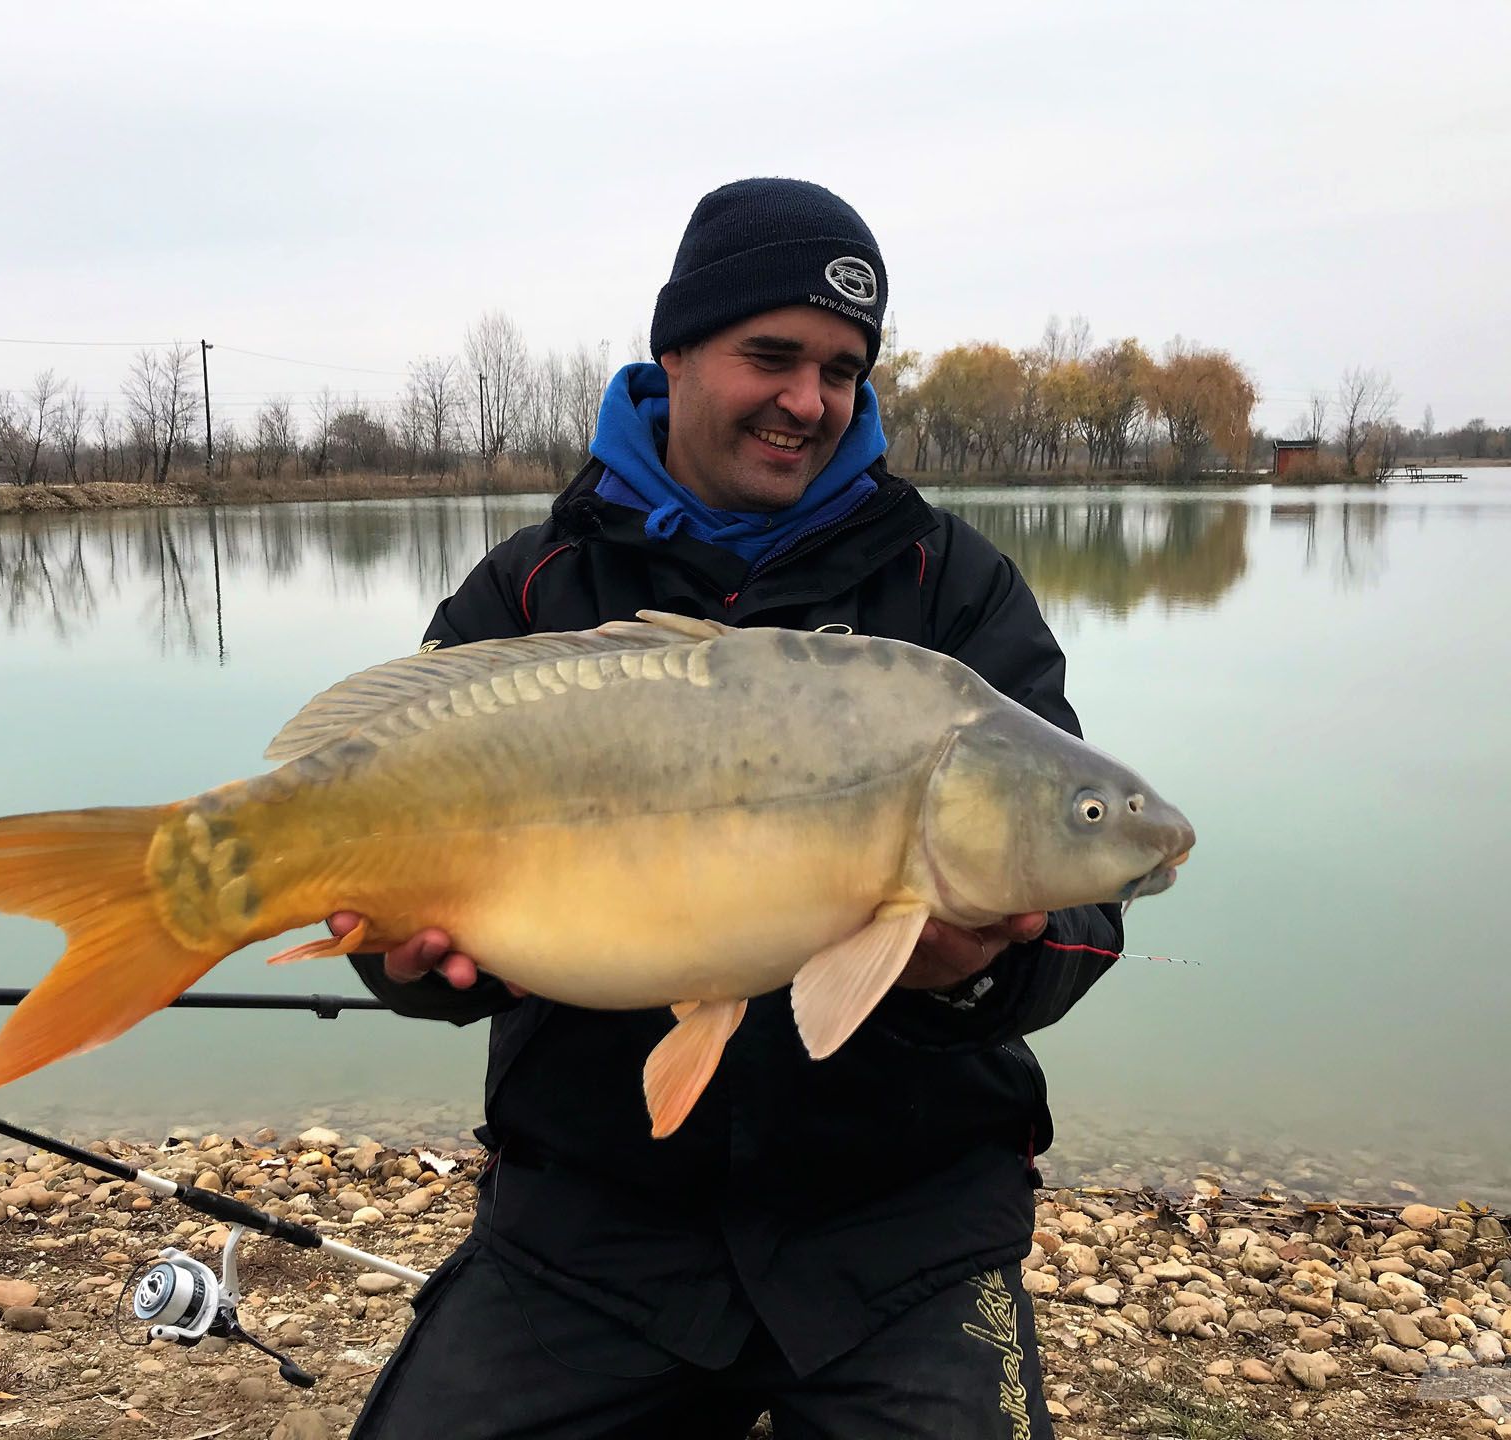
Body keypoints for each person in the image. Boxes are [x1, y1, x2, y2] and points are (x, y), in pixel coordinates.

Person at [339, 178, 1125, 1439]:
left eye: (843, 371)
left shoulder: (955, 594)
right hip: (591, 1232)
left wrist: (968, 975)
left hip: (902, 1240)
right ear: (677, 353)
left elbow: (1085, 912)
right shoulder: (536, 590)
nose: (807, 402)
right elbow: (428, 972)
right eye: (772, 354)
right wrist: (416, 964)